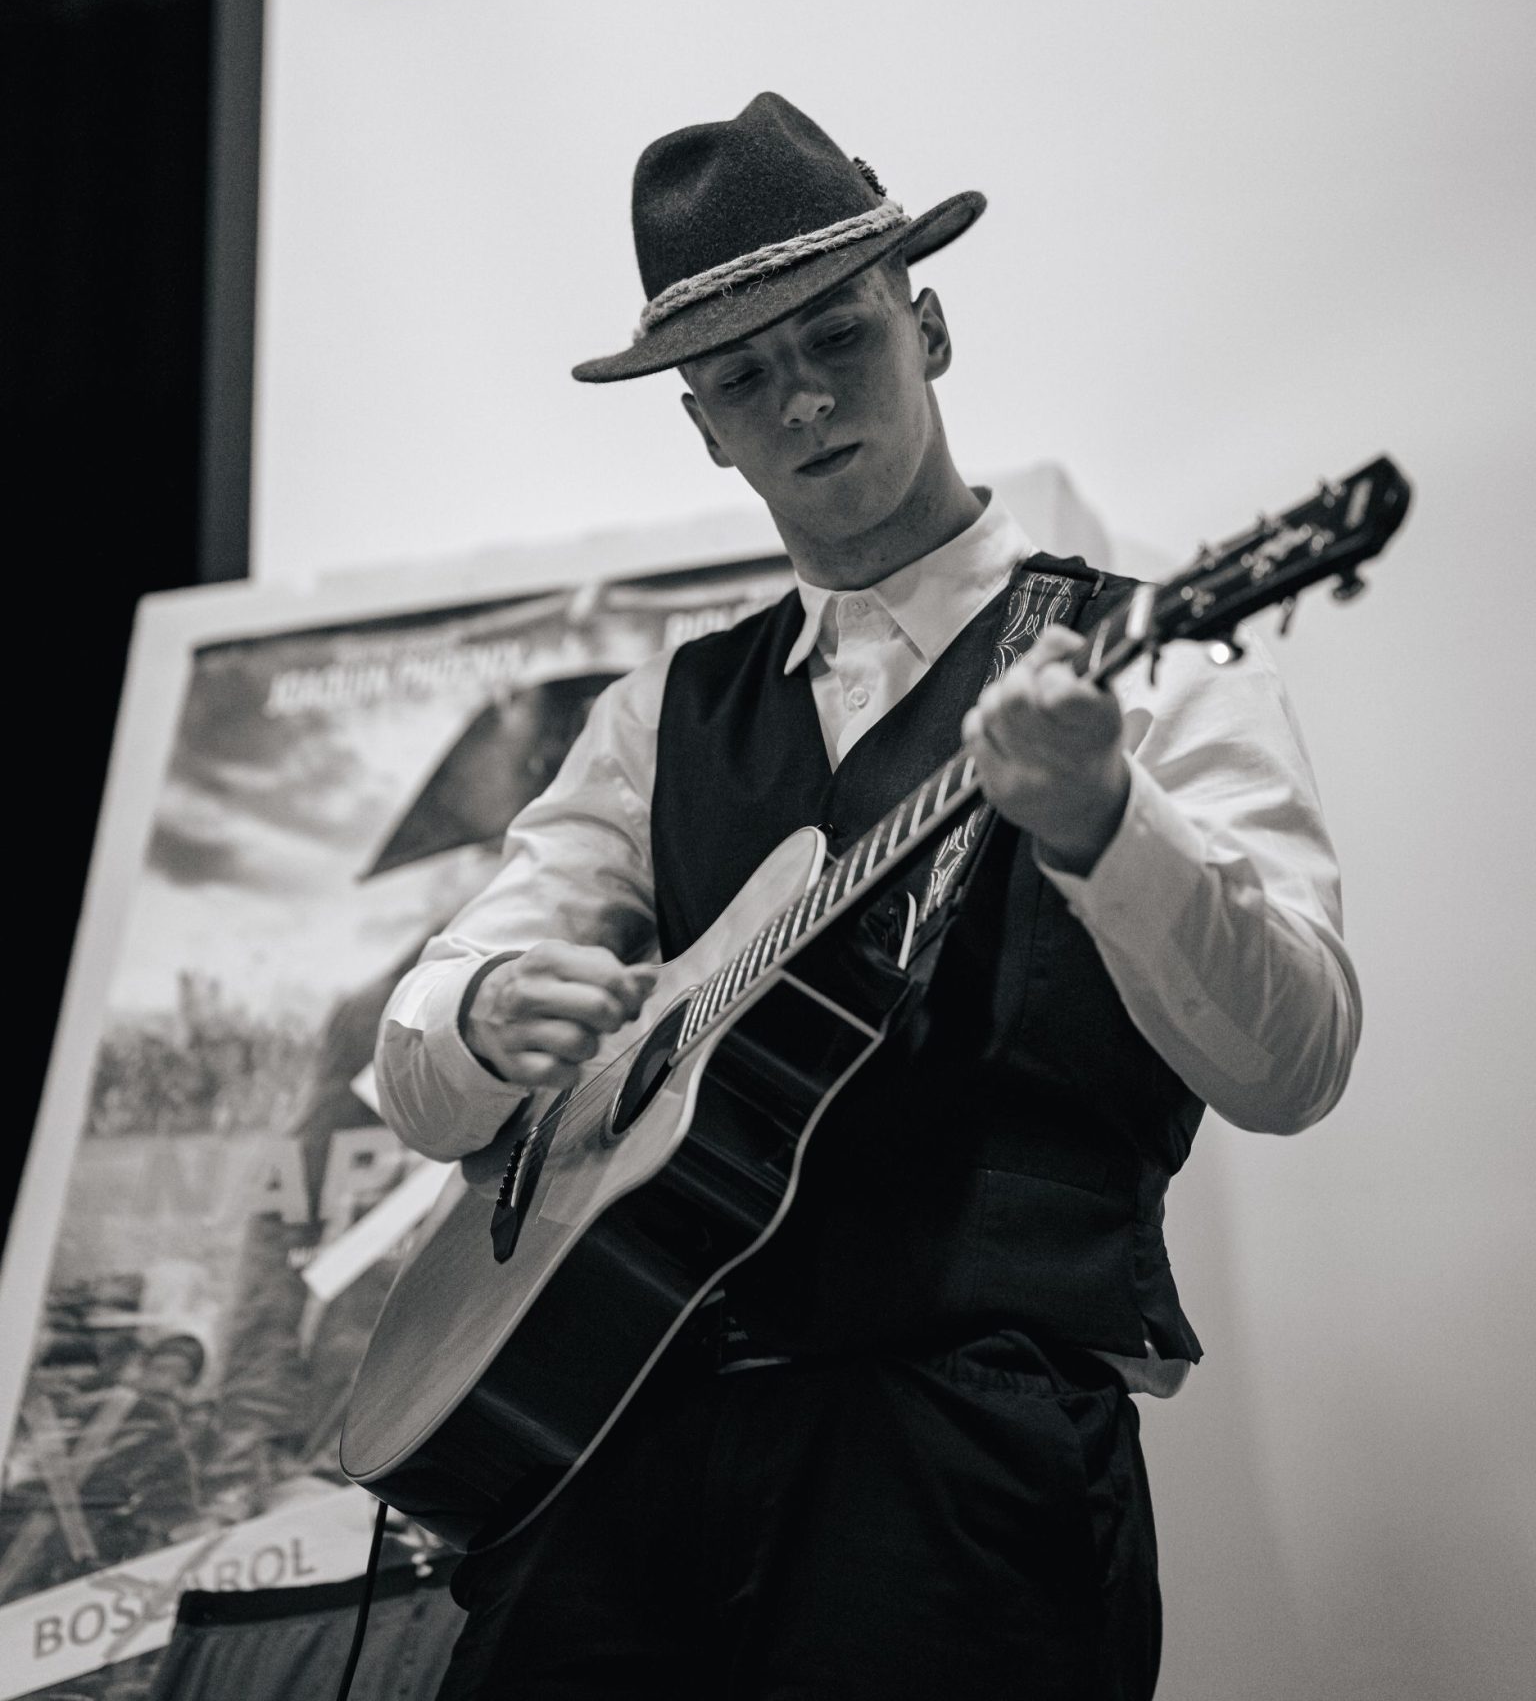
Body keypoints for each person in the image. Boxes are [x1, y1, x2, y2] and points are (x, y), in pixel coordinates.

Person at [374, 92, 1361, 1700]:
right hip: (613, 1454)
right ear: (704, 429)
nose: (805, 399)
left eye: (839, 335)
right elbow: (417, 1073)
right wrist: (482, 1017)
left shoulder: (1150, 663)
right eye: (744, 378)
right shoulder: (658, 720)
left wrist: (1108, 824)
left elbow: (1297, 1060)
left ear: (932, 329)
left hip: (962, 1466)